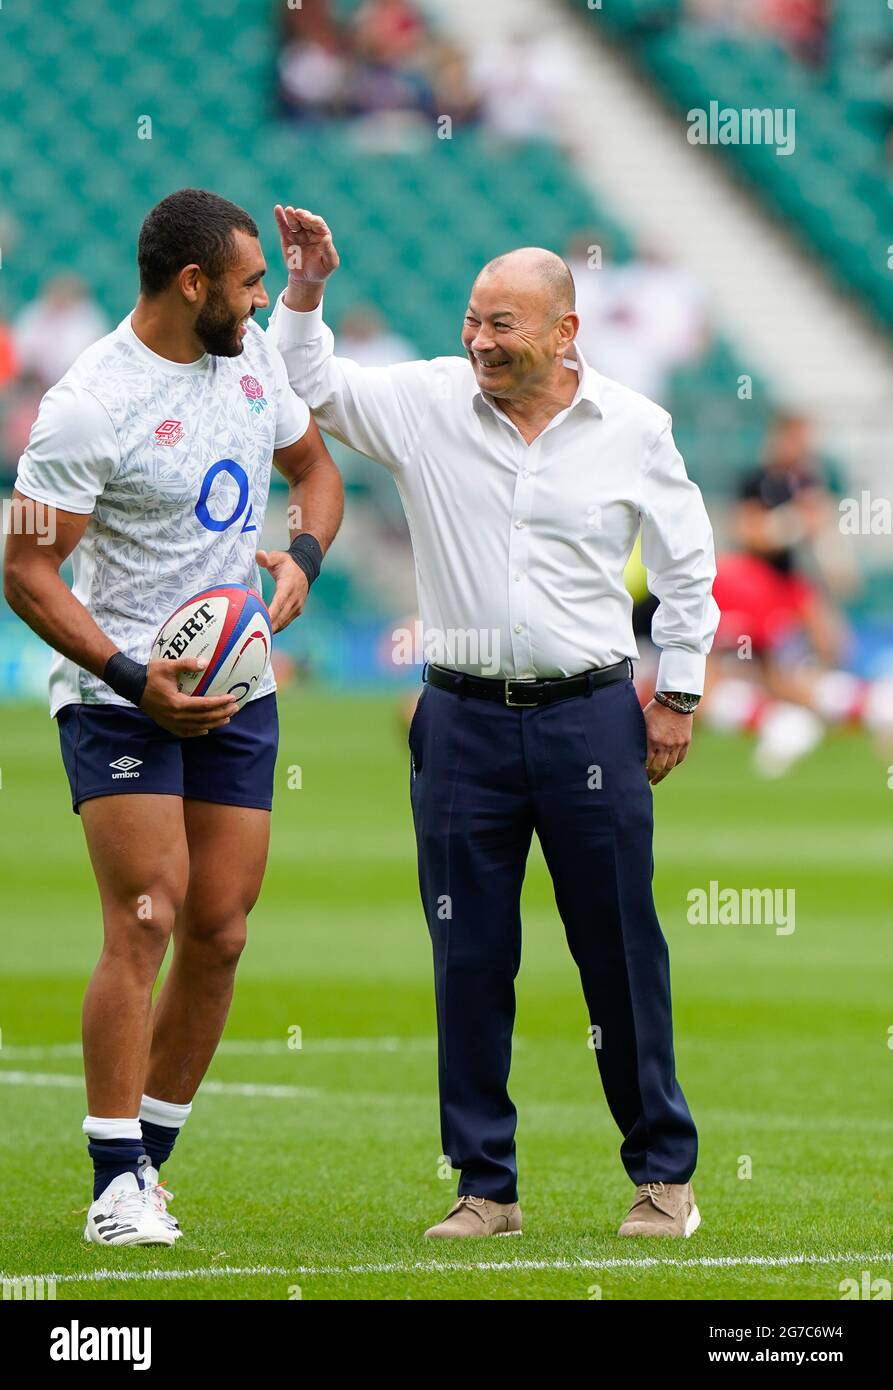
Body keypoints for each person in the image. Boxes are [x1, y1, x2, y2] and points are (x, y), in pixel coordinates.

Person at [267, 205, 719, 1240]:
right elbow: (308, 382)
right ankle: (485, 1189)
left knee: (617, 953)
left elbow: (688, 566)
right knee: (466, 956)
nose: (479, 340)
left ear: (565, 332)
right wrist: (304, 290)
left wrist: (680, 693)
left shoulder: (635, 428)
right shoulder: (426, 402)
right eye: (472, 320)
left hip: (590, 719)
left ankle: (662, 1178)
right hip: (459, 720)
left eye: (503, 323)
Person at [3, 189, 344, 1246]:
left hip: (234, 683)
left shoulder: (249, 361)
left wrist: (304, 558)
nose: (260, 303)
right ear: (190, 284)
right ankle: (113, 1184)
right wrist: (126, 668)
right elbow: (23, 565)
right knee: (148, 912)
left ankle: (148, 1164)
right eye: (248, 286)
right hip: (120, 688)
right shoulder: (86, 403)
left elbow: (314, 471)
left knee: (222, 928)